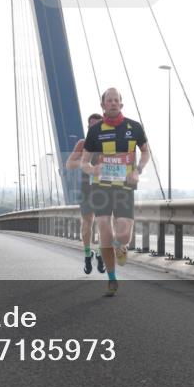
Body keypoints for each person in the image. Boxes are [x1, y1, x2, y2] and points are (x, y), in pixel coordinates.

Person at [81, 88, 151, 295]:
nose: (112, 103)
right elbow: (84, 162)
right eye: (108, 101)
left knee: (123, 233)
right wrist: (93, 169)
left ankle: (120, 245)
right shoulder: (95, 131)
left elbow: (146, 152)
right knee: (103, 226)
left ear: (121, 104)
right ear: (103, 105)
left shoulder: (134, 127)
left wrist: (138, 170)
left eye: (116, 100)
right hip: (101, 188)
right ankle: (112, 279)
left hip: (125, 188)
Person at [66, 112, 106, 275]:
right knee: (87, 222)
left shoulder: (108, 144)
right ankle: (88, 254)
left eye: (98, 125)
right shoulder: (82, 143)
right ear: (88, 127)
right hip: (86, 189)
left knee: (104, 223)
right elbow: (69, 164)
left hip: (104, 188)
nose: (95, 128)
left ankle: (101, 254)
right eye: (92, 125)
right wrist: (83, 160)